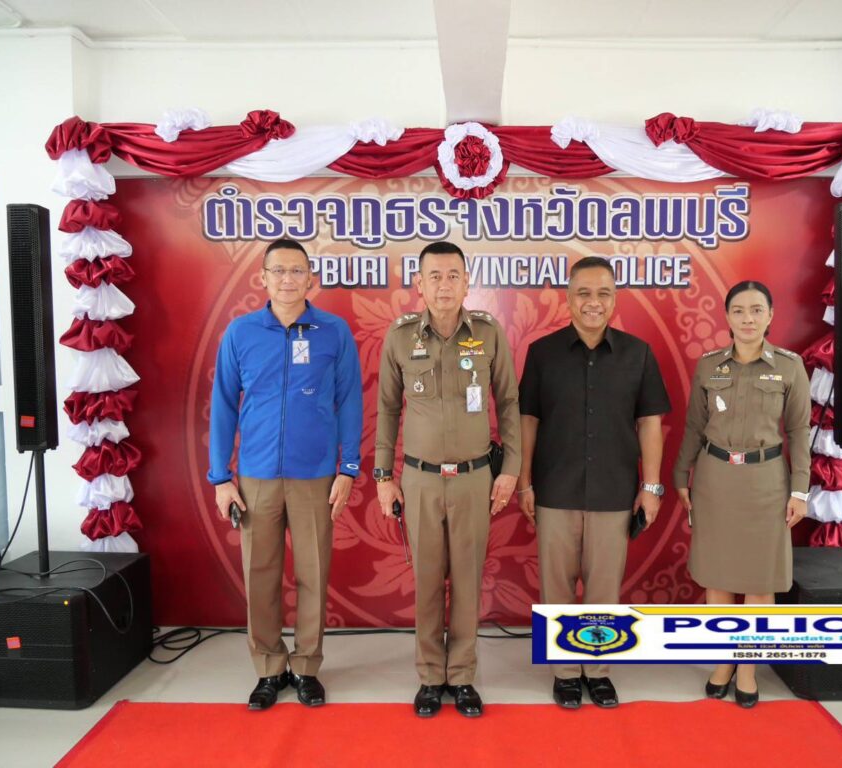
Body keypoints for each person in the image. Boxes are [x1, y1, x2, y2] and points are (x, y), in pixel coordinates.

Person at [207, 238, 363, 711]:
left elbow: (350, 400)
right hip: (255, 476)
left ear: (311, 278)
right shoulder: (241, 333)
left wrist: (348, 468)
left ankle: (307, 666)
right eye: (279, 271)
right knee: (260, 574)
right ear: (263, 278)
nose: (288, 279)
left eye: (297, 271)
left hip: (316, 475)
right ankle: (269, 668)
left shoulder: (333, 332)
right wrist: (220, 477)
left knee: (314, 572)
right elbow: (223, 405)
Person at [374, 241, 521, 718]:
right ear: (419, 284)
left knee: (468, 579)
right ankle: (429, 677)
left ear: (466, 282)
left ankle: (461, 676)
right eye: (434, 276)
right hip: (419, 480)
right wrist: (383, 475)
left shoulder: (487, 333)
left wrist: (511, 469)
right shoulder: (400, 337)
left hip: (474, 478)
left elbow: (509, 403)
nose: (444, 285)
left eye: (453, 275)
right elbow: (387, 409)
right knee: (427, 581)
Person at [517, 256, 671, 710]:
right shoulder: (542, 353)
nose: (593, 302)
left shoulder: (638, 354)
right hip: (555, 489)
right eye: (583, 293)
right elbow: (527, 421)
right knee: (557, 587)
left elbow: (650, 422)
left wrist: (651, 487)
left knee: (605, 589)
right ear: (568, 298)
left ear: (614, 299)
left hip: (614, 490)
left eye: (603, 293)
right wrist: (524, 483)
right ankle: (565, 673)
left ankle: (598, 671)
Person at [673, 280, 810, 708]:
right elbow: (694, 426)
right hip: (715, 480)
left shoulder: (789, 367)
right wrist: (680, 474)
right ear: (727, 317)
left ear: (770, 316)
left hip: (766, 483)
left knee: (759, 579)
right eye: (738, 310)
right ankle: (723, 660)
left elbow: (799, 432)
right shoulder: (709, 366)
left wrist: (800, 490)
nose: (747, 318)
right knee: (717, 575)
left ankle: (747, 666)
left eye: (756, 310)